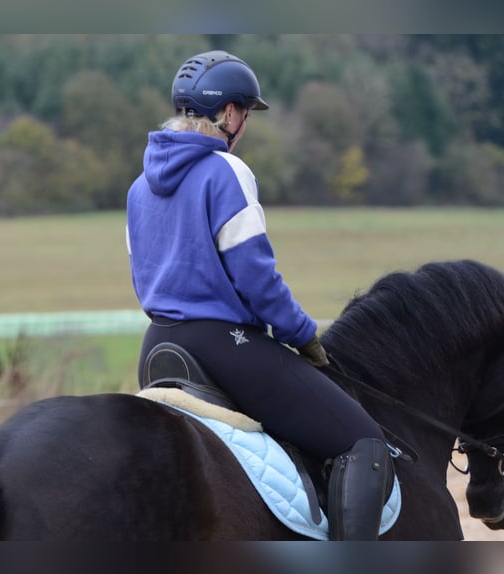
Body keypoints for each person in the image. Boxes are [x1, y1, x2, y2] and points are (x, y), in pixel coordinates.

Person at [125, 50, 392, 540]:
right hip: (226, 347)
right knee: (363, 441)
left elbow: (143, 274)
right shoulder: (226, 171)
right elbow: (257, 278)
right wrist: (303, 334)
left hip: (157, 346)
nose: (245, 123)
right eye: (245, 111)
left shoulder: (139, 187)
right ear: (227, 113)